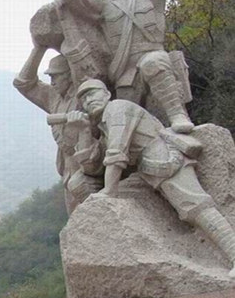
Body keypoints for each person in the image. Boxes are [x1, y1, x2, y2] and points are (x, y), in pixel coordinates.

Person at [67, 79, 235, 276]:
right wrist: (84, 131)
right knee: (87, 187)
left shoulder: (117, 109)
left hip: (164, 160)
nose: (88, 101)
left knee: (196, 207)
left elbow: (116, 154)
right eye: (84, 99)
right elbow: (94, 169)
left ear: (107, 94)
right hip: (144, 173)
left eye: (92, 94)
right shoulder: (104, 125)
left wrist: (109, 191)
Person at [31, 0, 194, 134]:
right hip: (124, 75)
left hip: (155, 62)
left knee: (153, 62)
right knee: (124, 125)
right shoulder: (104, 4)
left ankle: (177, 114)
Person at [14, 46, 103, 213]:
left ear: (69, 75)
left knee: (94, 216)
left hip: (89, 168)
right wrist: (39, 49)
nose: (52, 81)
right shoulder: (54, 96)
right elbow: (23, 83)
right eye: (50, 77)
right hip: (67, 169)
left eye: (56, 76)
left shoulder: (84, 95)